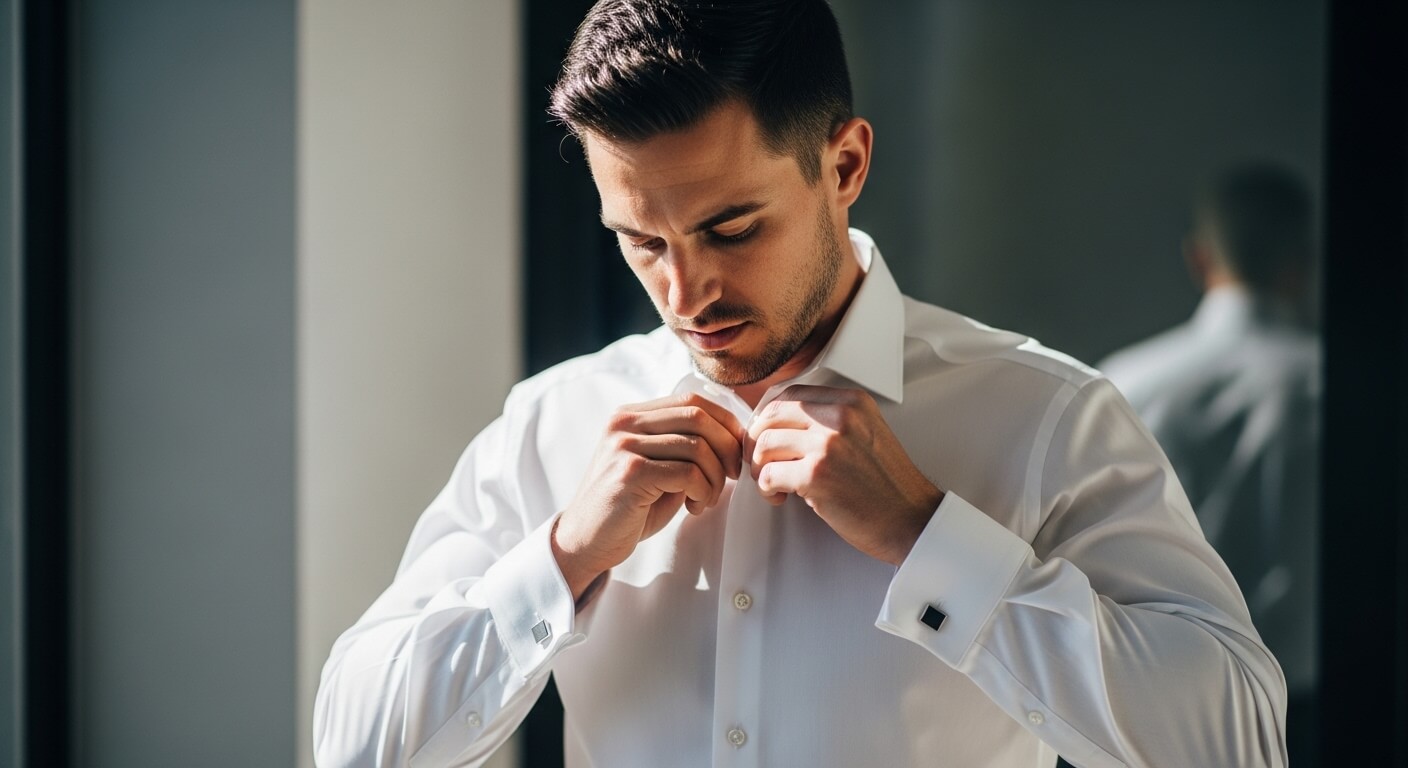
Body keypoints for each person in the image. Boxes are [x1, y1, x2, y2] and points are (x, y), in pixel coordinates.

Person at [313, 2, 1287, 766]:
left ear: (845, 163)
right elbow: (353, 746)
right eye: (640, 241)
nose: (684, 292)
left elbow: (1234, 743)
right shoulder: (555, 424)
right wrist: (564, 555)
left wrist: (927, 538)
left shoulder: (1043, 418)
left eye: (732, 228)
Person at [1099, 163, 1318, 761]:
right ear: (1304, 261)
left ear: (1199, 259)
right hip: (1314, 703)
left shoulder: (1124, 384)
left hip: (1160, 697)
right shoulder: (1343, 389)